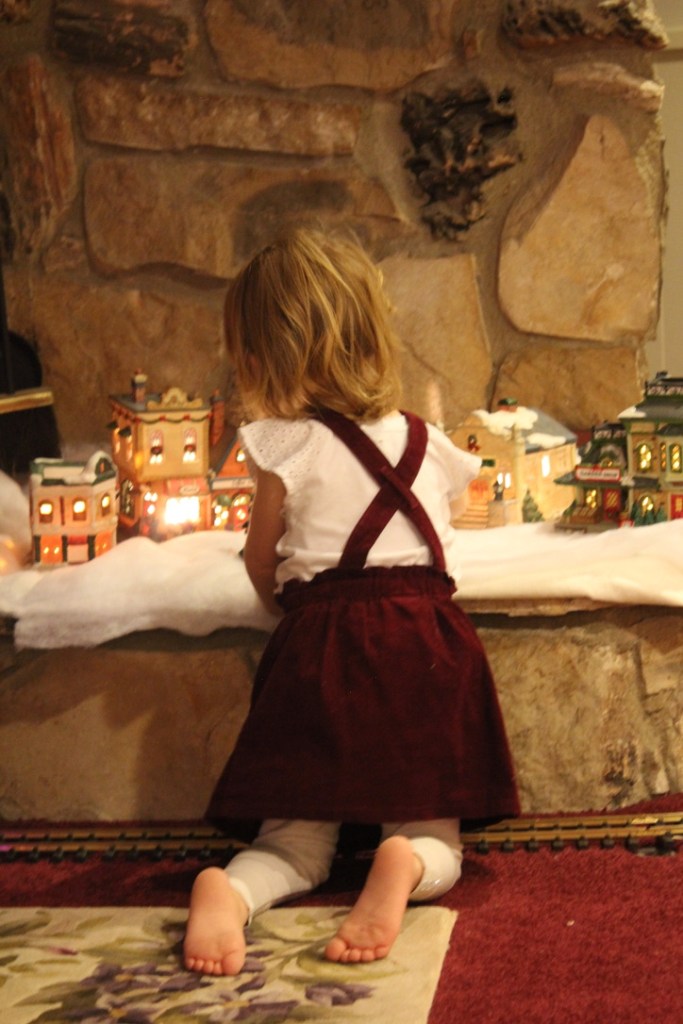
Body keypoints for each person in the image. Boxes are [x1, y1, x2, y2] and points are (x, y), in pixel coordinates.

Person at [183, 228, 519, 977]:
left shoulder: (283, 444)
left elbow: (262, 560)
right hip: (427, 646)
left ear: (258, 358)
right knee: (434, 832)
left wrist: (297, 620)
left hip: (321, 648)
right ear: (372, 332)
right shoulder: (429, 440)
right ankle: (407, 859)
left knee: (294, 841)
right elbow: (449, 524)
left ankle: (233, 891)